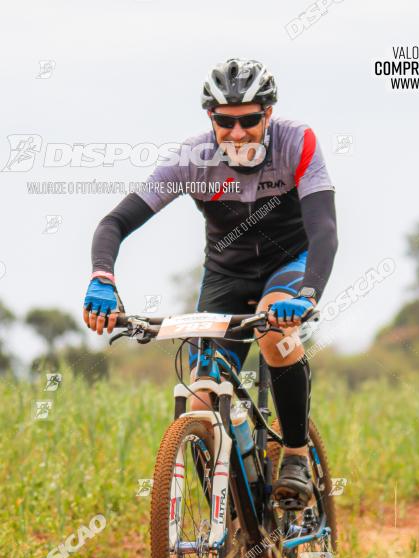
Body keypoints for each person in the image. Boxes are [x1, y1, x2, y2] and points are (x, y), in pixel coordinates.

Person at [82, 58, 338, 509]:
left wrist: (307, 295)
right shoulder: (191, 159)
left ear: (268, 114)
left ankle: (296, 453)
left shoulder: (298, 142)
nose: (237, 133)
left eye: (249, 120)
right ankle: (232, 526)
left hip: (288, 264)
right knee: (200, 404)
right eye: (225, 121)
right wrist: (102, 278)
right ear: (210, 120)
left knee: (275, 333)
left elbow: (324, 232)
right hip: (226, 274)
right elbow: (115, 222)